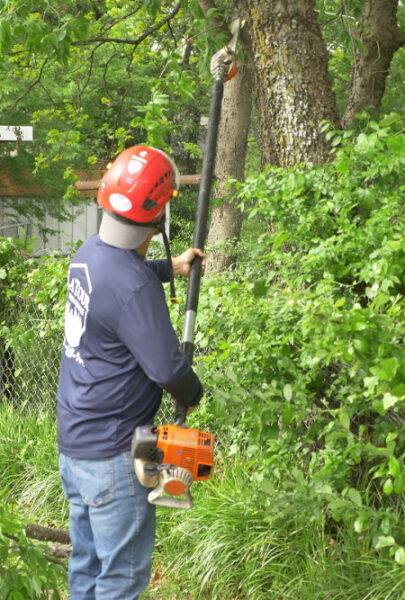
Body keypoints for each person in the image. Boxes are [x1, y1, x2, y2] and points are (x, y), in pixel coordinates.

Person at [57, 145, 204, 600]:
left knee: (87, 565)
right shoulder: (134, 285)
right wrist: (193, 392)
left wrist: (171, 267)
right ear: (158, 216)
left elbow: (119, 283)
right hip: (115, 459)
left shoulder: (88, 252)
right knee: (120, 581)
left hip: (76, 448)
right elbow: (166, 369)